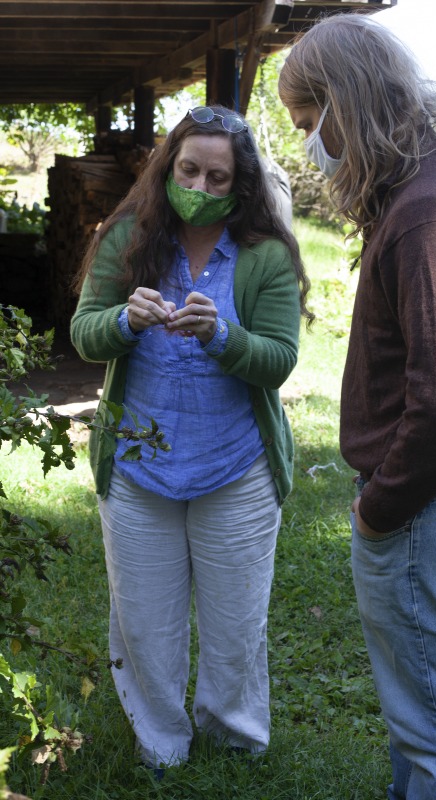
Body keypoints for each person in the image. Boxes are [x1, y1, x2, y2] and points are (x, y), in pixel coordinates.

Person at [278, 13, 436, 800]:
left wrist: (378, 509)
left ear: (348, 104)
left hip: (427, 506)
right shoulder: (426, 186)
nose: (311, 144)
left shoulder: (430, 212)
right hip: (435, 504)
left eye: (312, 124)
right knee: (424, 721)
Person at [71, 105, 312, 774]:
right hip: (139, 464)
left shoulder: (263, 254)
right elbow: (84, 333)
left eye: (217, 177)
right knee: (146, 622)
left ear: (242, 185)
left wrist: (223, 336)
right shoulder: (128, 237)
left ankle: (234, 741)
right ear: (166, 167)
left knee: (236, 625)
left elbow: (278, 361)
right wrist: (122, 319)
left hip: (236, 466)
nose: (200, 188)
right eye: (188, 171)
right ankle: (161, 742)